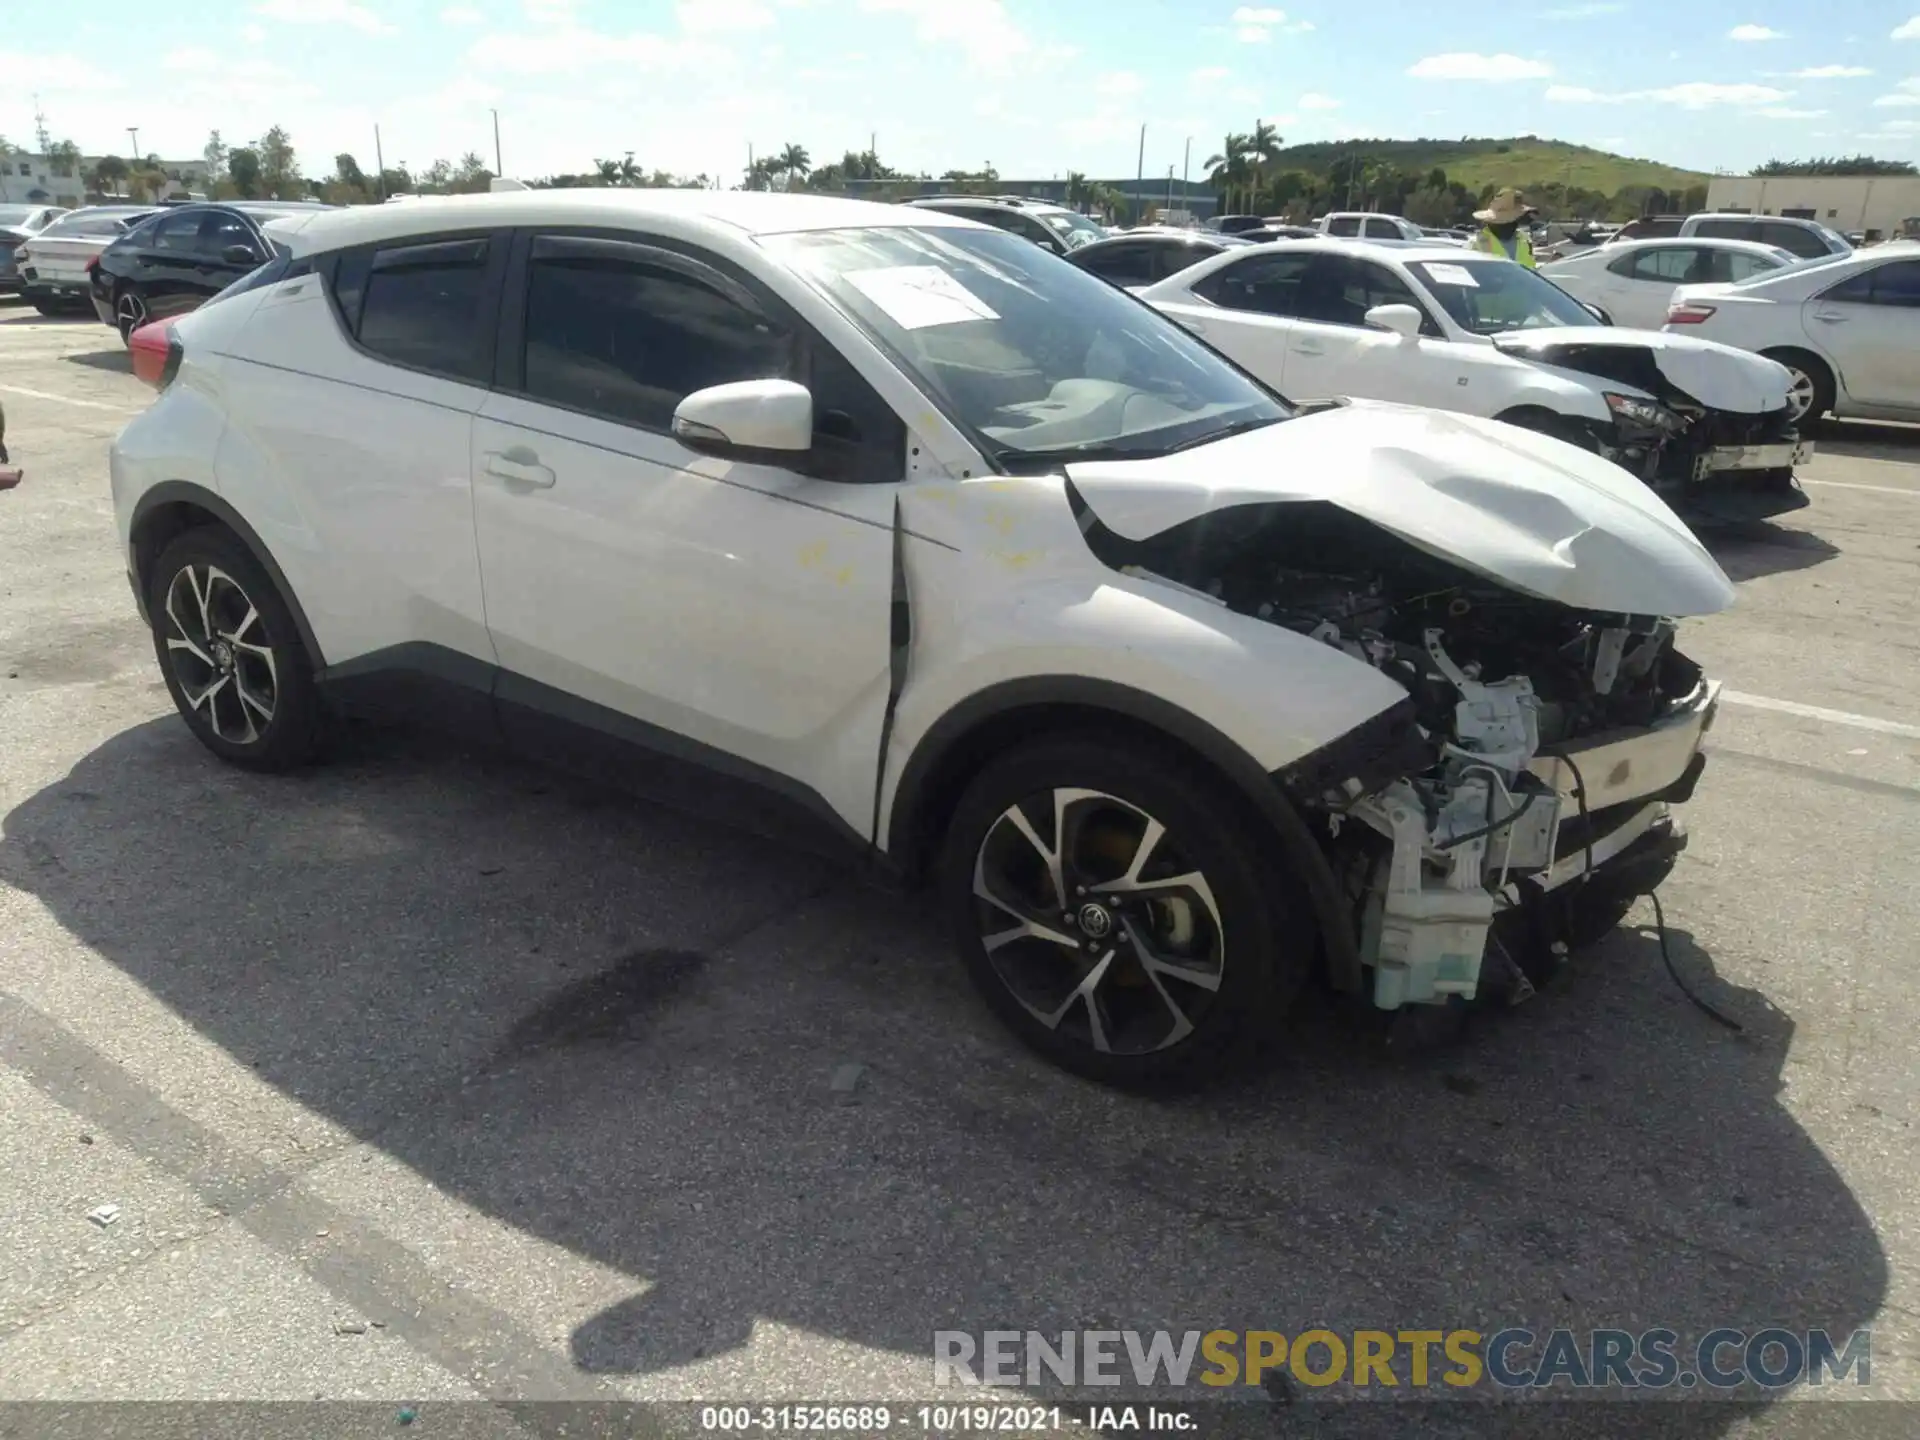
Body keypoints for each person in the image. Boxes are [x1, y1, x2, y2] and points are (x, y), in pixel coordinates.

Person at [1470, 188, 1539, 268]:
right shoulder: (1476, 243)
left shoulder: (1525, 240)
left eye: (1514, 220)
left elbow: (1531, 270)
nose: (1511, 225)